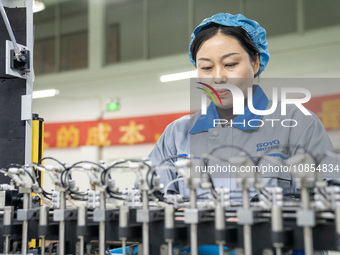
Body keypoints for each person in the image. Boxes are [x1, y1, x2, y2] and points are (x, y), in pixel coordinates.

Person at [149, 13, 338, 199]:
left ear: (255, 62)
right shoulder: (177, 134)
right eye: (206, 67)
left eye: (230, 64)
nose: (218, 77)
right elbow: (149, 201)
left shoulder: (296, 123)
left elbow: (332, 198)